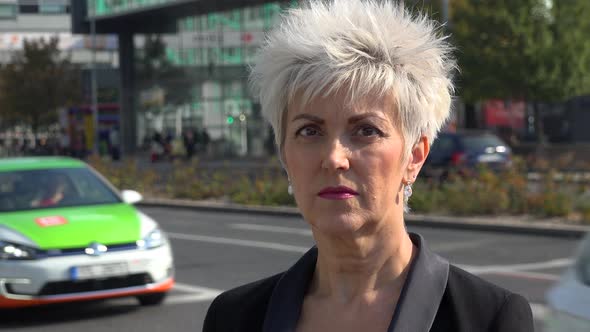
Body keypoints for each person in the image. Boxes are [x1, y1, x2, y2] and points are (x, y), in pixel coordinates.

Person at [203, 1, 534, 331]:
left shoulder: (489, 318)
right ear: (284, 155)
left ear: (415, 156)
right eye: (310, 131)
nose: (334, 158)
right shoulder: (234, 318)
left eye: (366, 131)